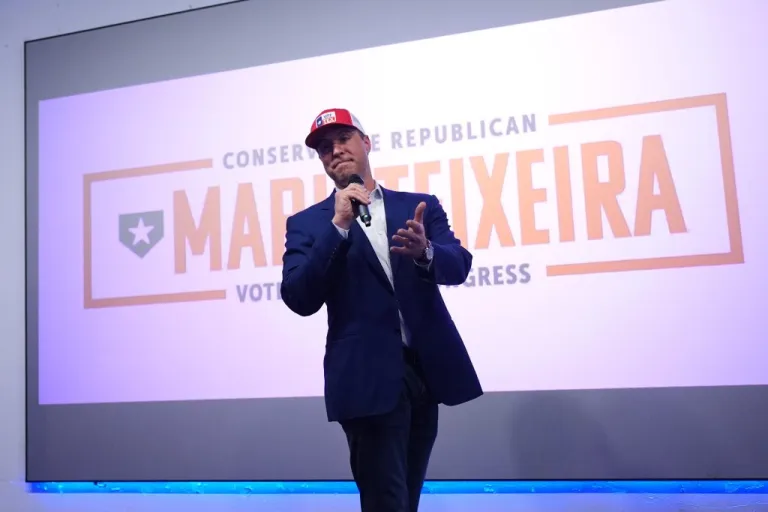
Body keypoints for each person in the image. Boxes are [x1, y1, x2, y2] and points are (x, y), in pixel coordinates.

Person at [280, 108, 483, 512]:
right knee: (385, 501)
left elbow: (458, 265)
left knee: (406, 497)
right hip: (364, 378)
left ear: (366, 143)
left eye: (342, 140)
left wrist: (426, 251)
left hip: (424, 373)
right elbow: (299, 298)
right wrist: (338, 226)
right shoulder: (308, 224)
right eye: (324, 148)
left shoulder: (418, 206)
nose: (334, 151)